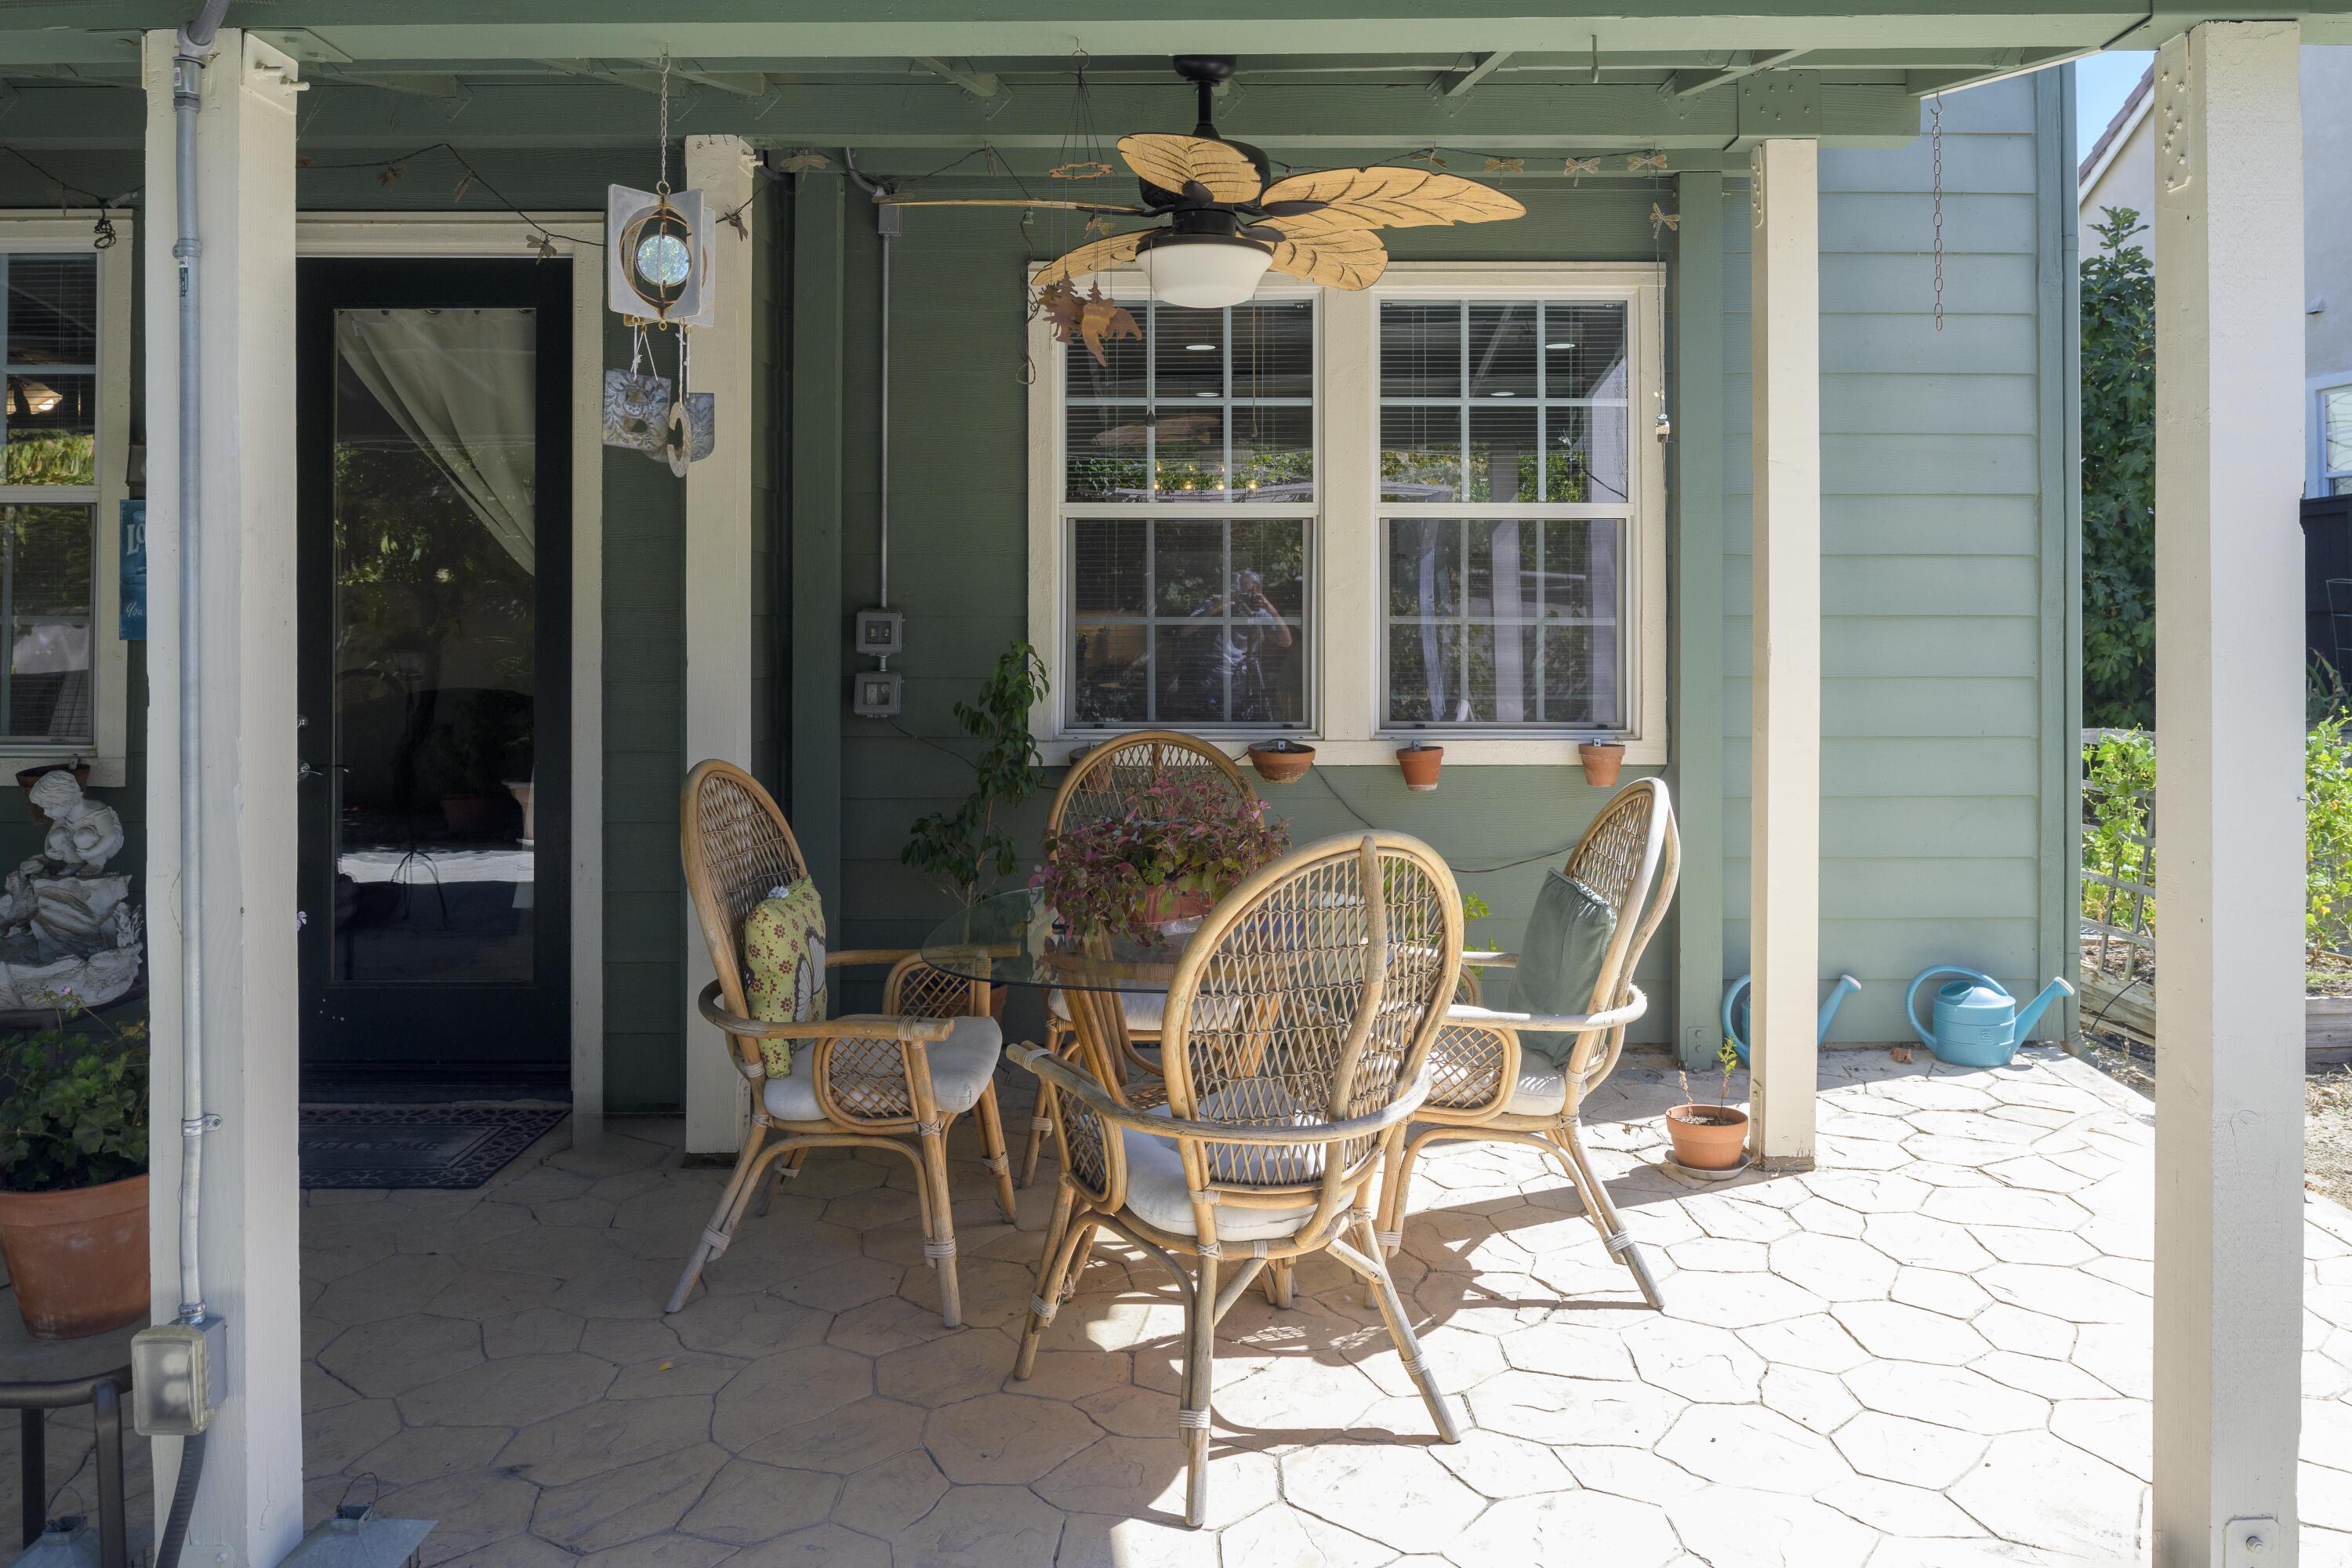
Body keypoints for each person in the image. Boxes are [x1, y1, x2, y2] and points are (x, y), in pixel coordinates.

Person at [1166, 568, 1294, 724]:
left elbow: (1286, 641)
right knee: (1203, 720)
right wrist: (1215, 609)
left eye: (1246, 592)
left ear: (1257, 590)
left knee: (1233, 721)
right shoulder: (1215, 602)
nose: (1241, 598)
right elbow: (1183, 631)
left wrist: (1270, 608)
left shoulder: (1258, 610)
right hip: (1207, 673)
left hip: (1238, 676)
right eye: (1237, 592)